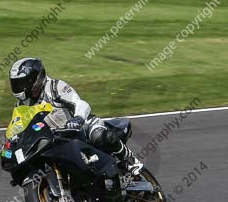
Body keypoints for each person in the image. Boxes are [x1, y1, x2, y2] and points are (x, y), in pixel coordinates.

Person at [8, 57, 144, 175]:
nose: (19, 87)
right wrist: (12, 143)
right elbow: (16, 128)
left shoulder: (55, 87)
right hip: (54, 140)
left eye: (22, 83)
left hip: (81, 128)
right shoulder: (21, 106)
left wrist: (78, 119)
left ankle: (130, 160)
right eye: (16, 84)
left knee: (99, 135)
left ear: (35, 79)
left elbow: (80, 103)